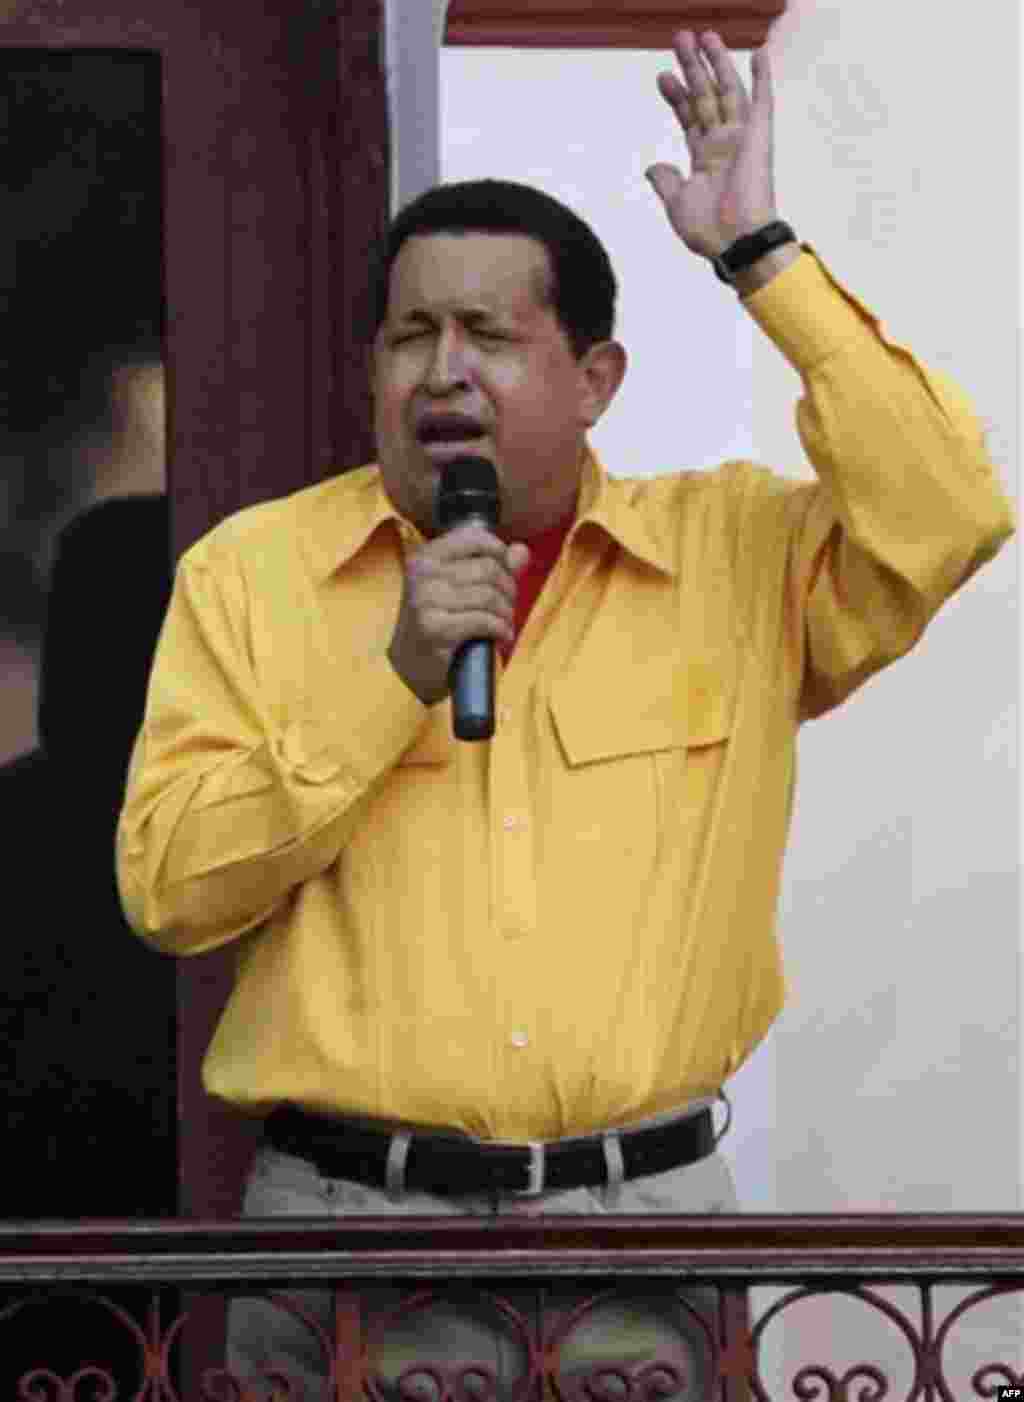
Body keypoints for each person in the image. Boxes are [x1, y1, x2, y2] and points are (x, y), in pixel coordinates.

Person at [116, 28, 1015, 1401]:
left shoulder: (731, 556)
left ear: (596, 382)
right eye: (411, 334)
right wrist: (391, 679)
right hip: (355, 1236)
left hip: (638, 1234)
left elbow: (950, 510)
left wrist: (761, 252)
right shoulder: (253, 579)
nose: (445, 372)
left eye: (491, 334)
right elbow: (170, 887)